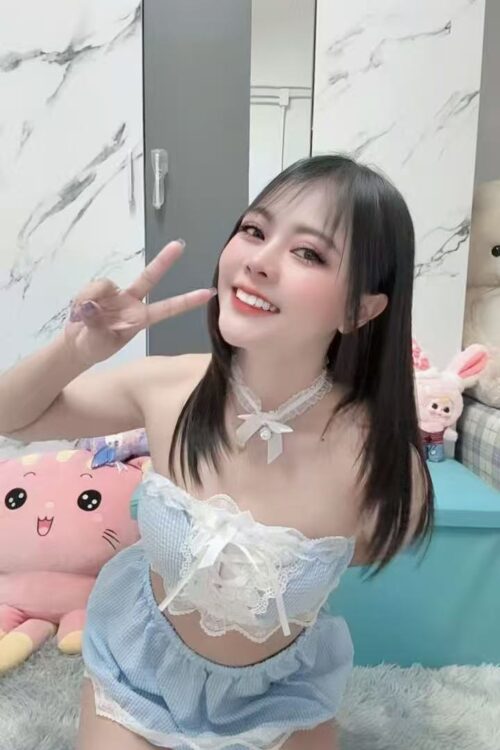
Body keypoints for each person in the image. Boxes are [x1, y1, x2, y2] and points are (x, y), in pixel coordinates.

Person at [0, 155, 433, 749]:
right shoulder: (169, 387)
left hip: (279, 695)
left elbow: (377, 545)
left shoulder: (379, 461)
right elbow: (13, 418)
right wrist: (75, 351)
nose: (258, 260)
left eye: (308, 253)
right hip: (139, 673)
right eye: (254, 230)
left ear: (360, 309)